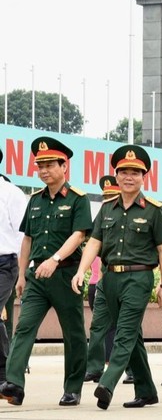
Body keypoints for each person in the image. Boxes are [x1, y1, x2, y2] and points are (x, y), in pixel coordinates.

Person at [69, 145, 162, 409]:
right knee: (133, 337)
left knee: (124, 333)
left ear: (144, 176)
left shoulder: (153, 209)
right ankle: (147, 391)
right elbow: (94, 242)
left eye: (135, 172)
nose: (129, 177)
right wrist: (81, 270)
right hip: (110, 280)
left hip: (139, 278)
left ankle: (108, 383)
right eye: (124, 171)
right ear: (116, 175)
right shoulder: (106, 209)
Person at [0, 137, 92, 407]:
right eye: (40, 166)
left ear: (64, 166)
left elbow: (79, 234)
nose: (44, 171)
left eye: (50, 165)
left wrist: (55, 258)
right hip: (37, 277)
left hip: (65, 275)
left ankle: (72, 388)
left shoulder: (78, 199)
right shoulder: (35, 200)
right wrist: (20, 275)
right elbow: (27, 238)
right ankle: (14, 383)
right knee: (24, 327)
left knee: (73, 334)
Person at [84, 176, 133, 384]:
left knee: (127, 328)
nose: (107, 199)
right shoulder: (102, 217)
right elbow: (92, 244)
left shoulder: (130, 216)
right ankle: (95, 367)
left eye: (111, 195)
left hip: (125, 280)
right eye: (105, 196)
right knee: (99, 326)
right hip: (99, 282)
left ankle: (132, 370)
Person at [0, 148, 26, 385]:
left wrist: (23, 273)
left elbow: (23, 236)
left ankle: (3, 373)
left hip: (4, 264)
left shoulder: (11, 193)